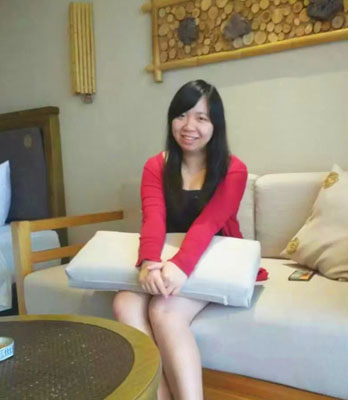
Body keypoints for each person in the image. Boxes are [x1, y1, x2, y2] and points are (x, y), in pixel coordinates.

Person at [113, 80, 259, 400]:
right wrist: (149, 262)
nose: (189, 126)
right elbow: (153, 218)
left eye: (201, 118)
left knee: (164, 311)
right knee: (124, 303)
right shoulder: (156, 165)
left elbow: (209, 223)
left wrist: (180, 266)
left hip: (212, 255)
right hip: (166, 256)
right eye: (181, 115)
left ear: (215, 125)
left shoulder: (233, 169)